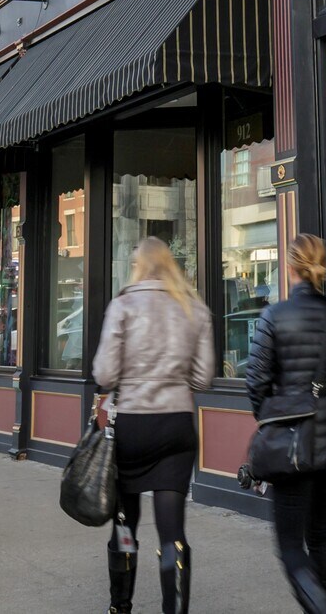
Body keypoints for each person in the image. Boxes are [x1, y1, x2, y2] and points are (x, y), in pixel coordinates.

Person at [245, 235, 326, 614]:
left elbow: (256, 382)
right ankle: (324, 599)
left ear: (291, 267)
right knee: (320, 534)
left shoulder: (273, 316)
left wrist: (278, 416)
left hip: (292, 447)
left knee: (289, 547)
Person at [91, 237, 214, 614]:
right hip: (176, 425)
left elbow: (105, 373)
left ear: (138, 266)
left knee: (125, 523)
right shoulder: (195, 308)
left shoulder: (123, 305)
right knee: (173, 533)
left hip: (132, 426)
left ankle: (120, 606)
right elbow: (204, 377)